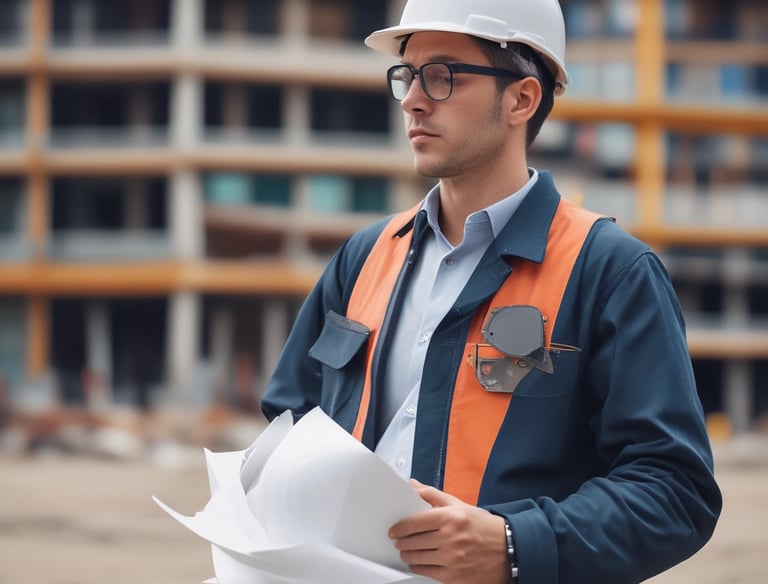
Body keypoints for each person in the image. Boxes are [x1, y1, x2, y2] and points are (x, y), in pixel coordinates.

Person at [261, 0, 722, 582]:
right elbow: (290, 425)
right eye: (407, 74)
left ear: (522, 99)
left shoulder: (609, 271)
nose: (412, 99)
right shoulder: (364, 256)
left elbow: (676, 493)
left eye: (442, 75)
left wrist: (512, 544)